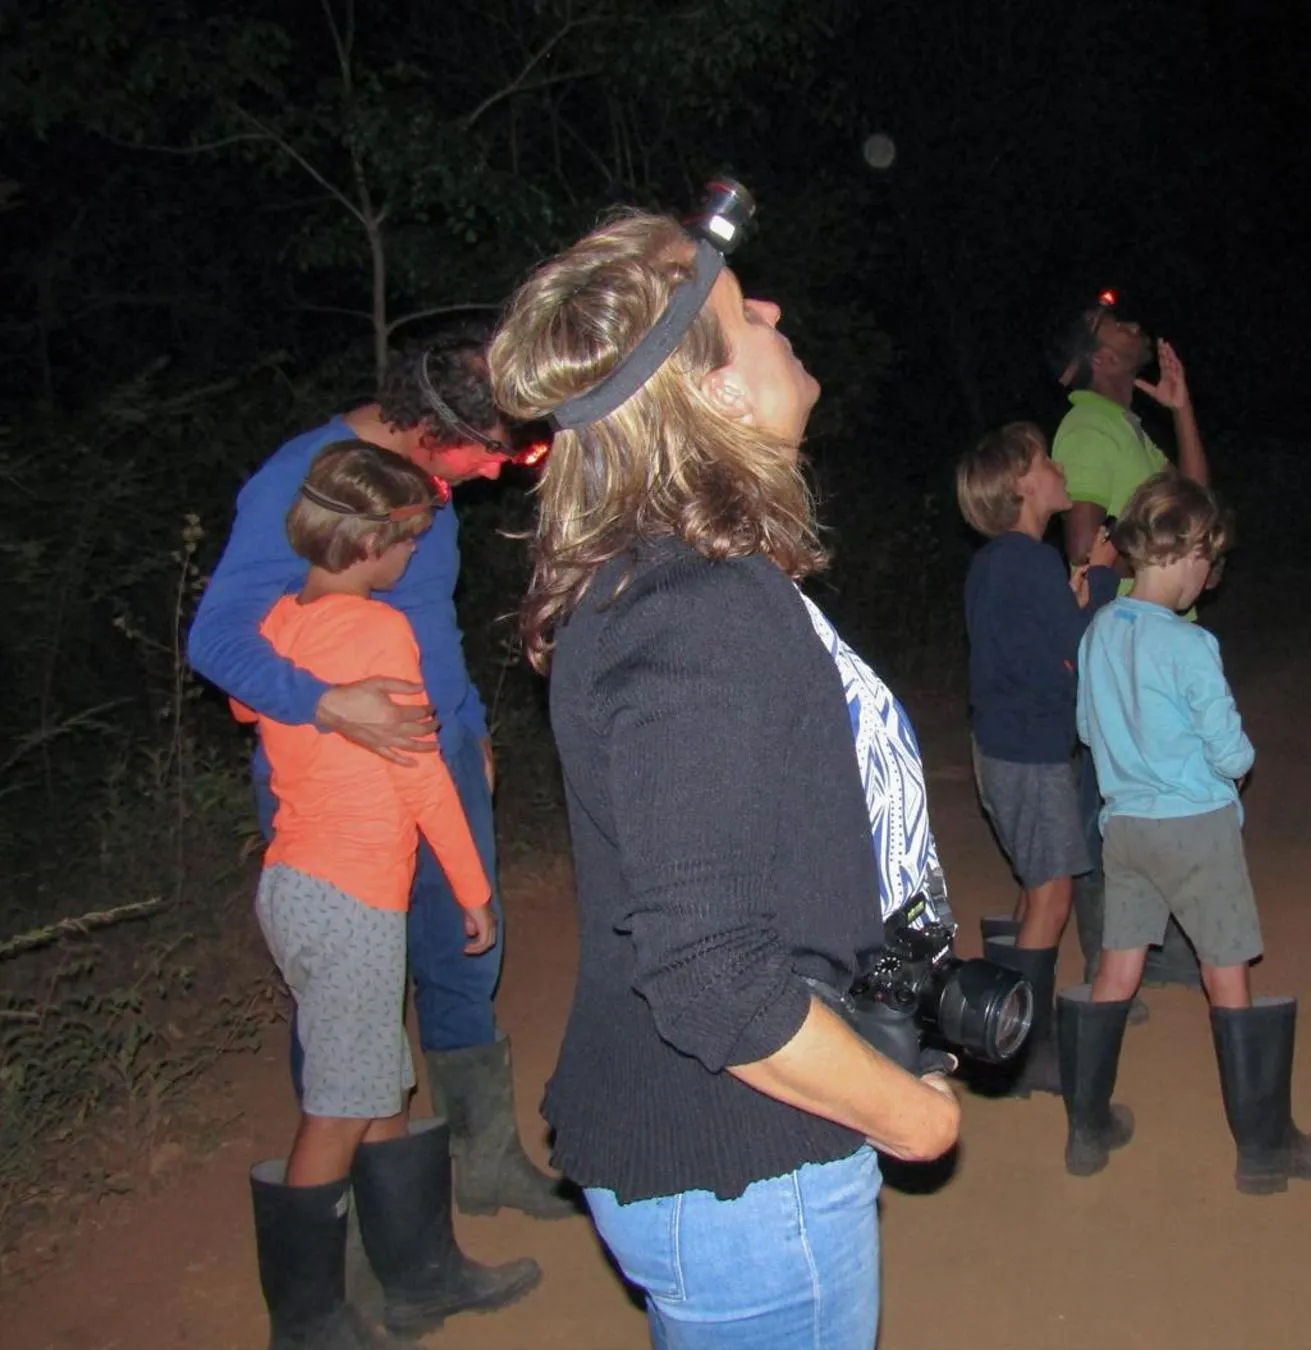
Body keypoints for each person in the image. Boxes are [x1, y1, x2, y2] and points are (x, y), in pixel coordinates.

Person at [488, 197, 962, 1349]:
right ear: (708, 393)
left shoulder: (654, 578)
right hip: (745, 1166)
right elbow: (708, 974)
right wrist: (908, 1117)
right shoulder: (701, 608)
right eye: (738, 313)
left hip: (709, 1148)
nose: (771, 308)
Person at [188, 333, 573, 1220]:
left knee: (465, 958)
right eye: (492, 452)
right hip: (342, 785)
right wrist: (325, 703)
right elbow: (216, 640)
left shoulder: (422, 490)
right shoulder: (309, 481)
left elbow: (423, 623)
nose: (498, 471)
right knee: (349, 992)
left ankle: (479, 1162)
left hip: (435, 767)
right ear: (429, 428)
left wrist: (468, 725)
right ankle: (356, 1219)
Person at [241, 442, 541, 1346]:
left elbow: (249, 711)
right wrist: (471, 885)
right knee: (338, 1106)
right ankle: (309, 1319)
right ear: (369, 541)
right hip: (353, 894)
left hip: (295, 885)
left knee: (373, 1084)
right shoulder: (378, 631)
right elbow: (419, 775)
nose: (413, 558)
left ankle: (419, 1277)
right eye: (407, 540)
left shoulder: (278, 626)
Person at [1066, 471, 1311, 1194]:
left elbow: (1086, 730)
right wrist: (1233, 761)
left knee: (1115, 968)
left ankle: (1087, 1129)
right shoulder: (1189, 646)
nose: (1207, 579)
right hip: (1195, 828)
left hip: (1123, 828)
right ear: (1187, 553)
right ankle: (1263, 1149)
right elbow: (1231, 754)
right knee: (1227, 974)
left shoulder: (1099, 629)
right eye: (1206, 561)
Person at [1048, 294, 1211, 994]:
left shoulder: (1124, 427)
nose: (1133, 323)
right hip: (1130, 648)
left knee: (1166, 796)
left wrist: (1180, 409)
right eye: (1113, 321)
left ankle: (1159, 948)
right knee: (1109, 805)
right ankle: (1104, 960)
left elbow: (1195, 506)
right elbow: (1082, 547)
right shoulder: (1088, 431)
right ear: (1101, 354)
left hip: (1162, 641)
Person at [957, 421, 1120, 1096]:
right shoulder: (1026, 560)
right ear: (1023, 484)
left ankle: (1003, 1043)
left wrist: (1073, 605)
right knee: (1051, 896)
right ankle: (1025, 1052)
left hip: (1004, 743)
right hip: (1028, 750)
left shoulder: (999, 562)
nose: (1058, 470)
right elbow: (1081, 656)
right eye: (1046, 461)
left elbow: (1042, 649)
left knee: (1034, 888)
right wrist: (1105, 578)